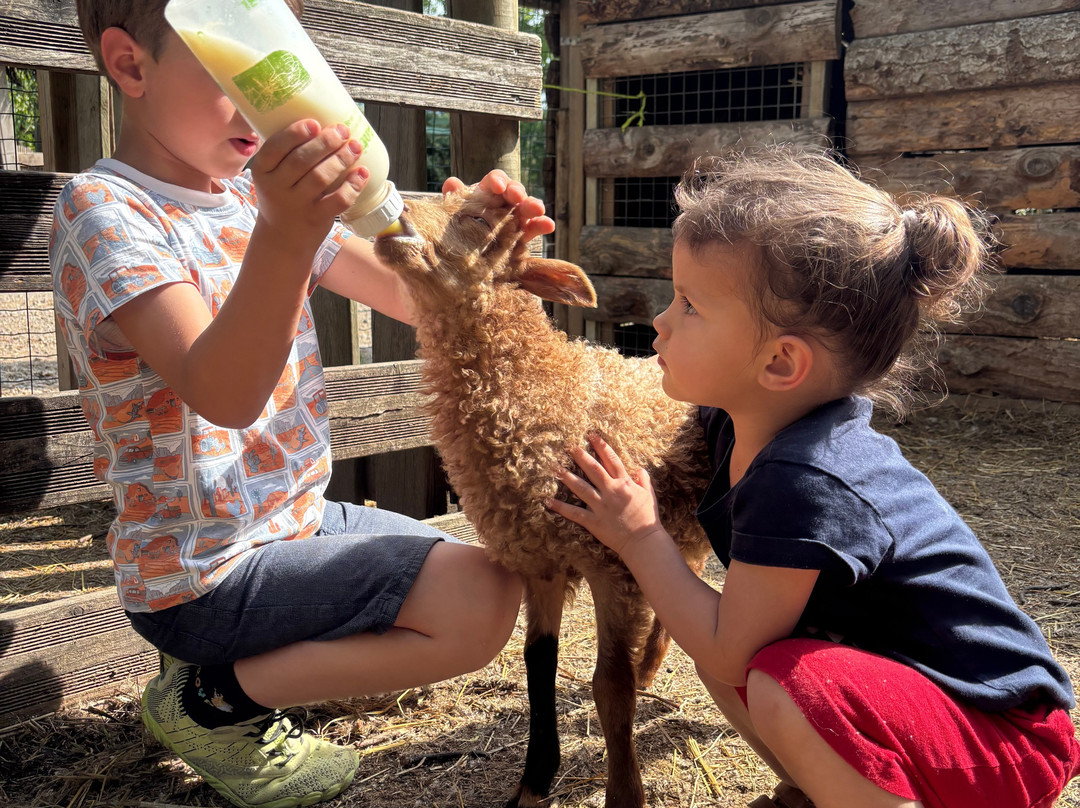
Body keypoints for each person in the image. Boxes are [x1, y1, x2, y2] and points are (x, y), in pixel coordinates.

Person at [51, 2, 550, 806]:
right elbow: (225, 393)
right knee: (475, 604)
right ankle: (209, 702)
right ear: (131, 65)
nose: (264, 104)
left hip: (297, 523)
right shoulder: (106, 212)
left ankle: (236, 671)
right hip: (201, 572)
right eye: (231, 75)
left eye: (275, 72)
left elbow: (410, 297)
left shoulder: (248, 199)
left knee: (490, 572)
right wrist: (285, 232)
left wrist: (470, 247)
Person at [546, 145, 1080, 808]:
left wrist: (639, 537)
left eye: (689, 305)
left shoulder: (805, 478)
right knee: (730, 651)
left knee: (766, 672)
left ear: (780, 363)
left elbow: (729, 649)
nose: (660, 320)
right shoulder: (737, 423)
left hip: (1003, 738)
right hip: (925, 710)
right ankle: (821, 789)